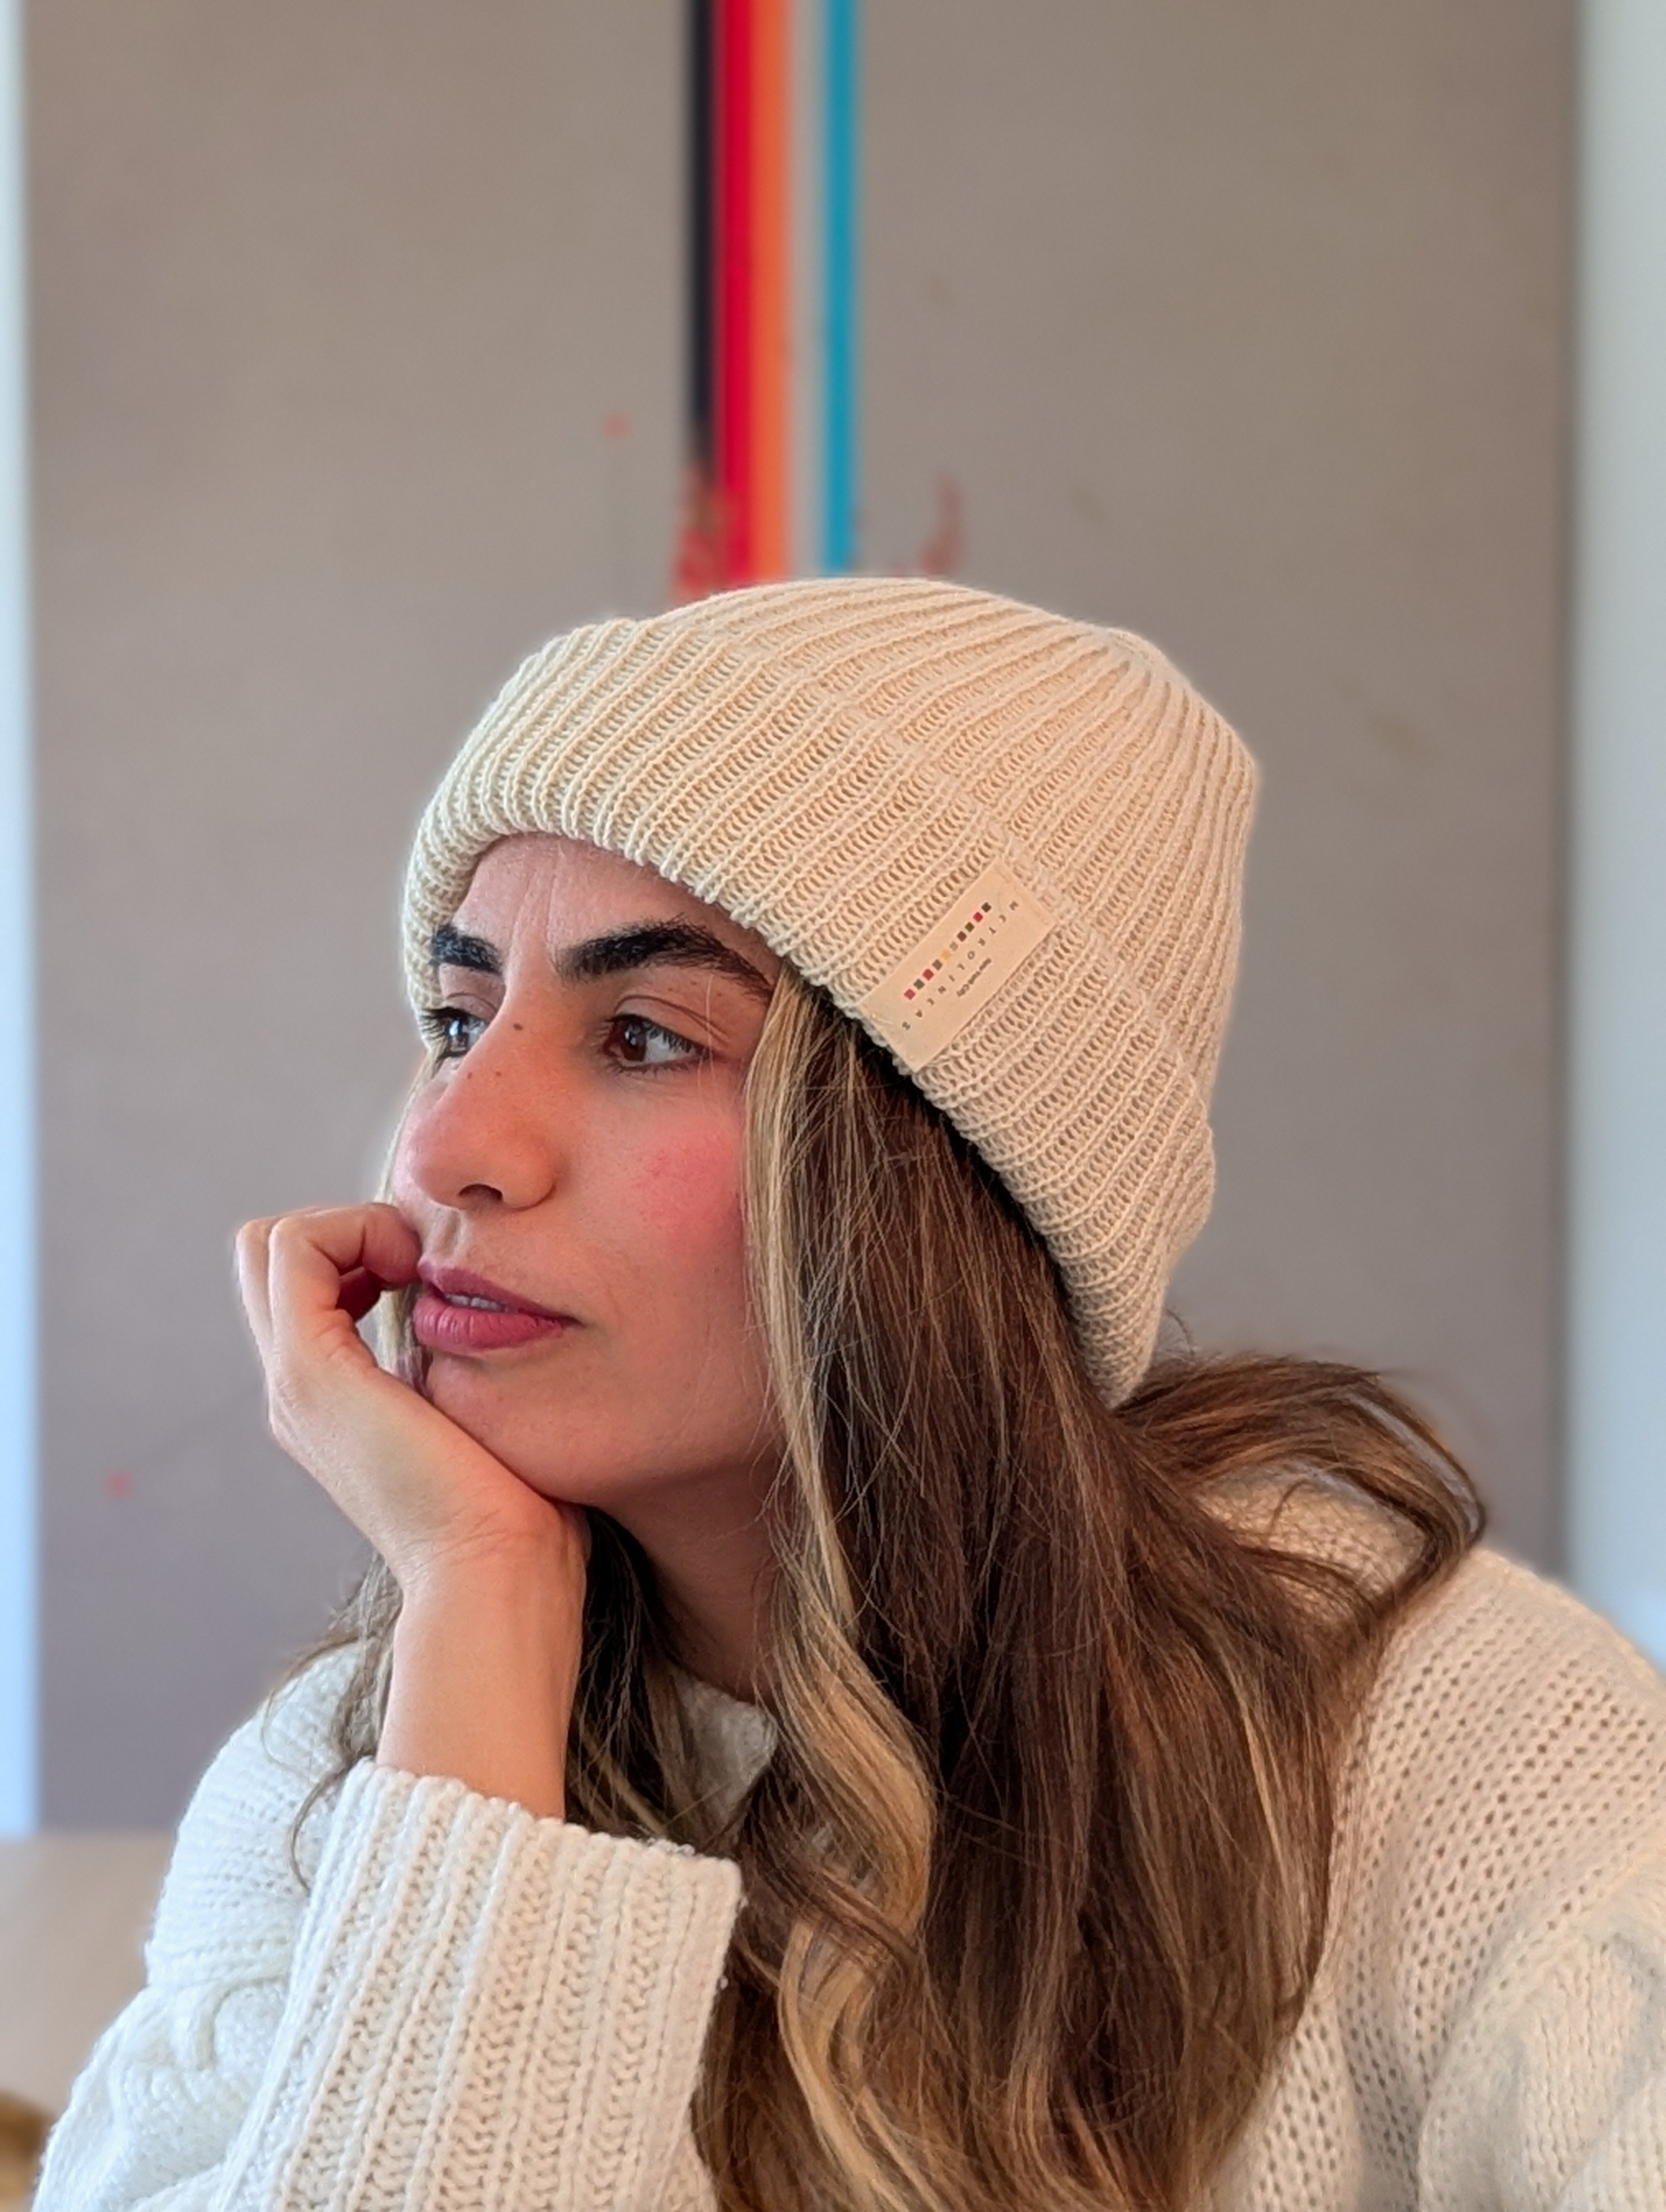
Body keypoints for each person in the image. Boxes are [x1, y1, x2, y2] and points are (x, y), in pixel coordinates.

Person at [35, 578, 1666, 2211]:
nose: (449, 1145)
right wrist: (485, 1597)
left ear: (940, 1178)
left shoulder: (1448, 1743)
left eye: (648, 1039)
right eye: (459, 1017)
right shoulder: (353, 1771)